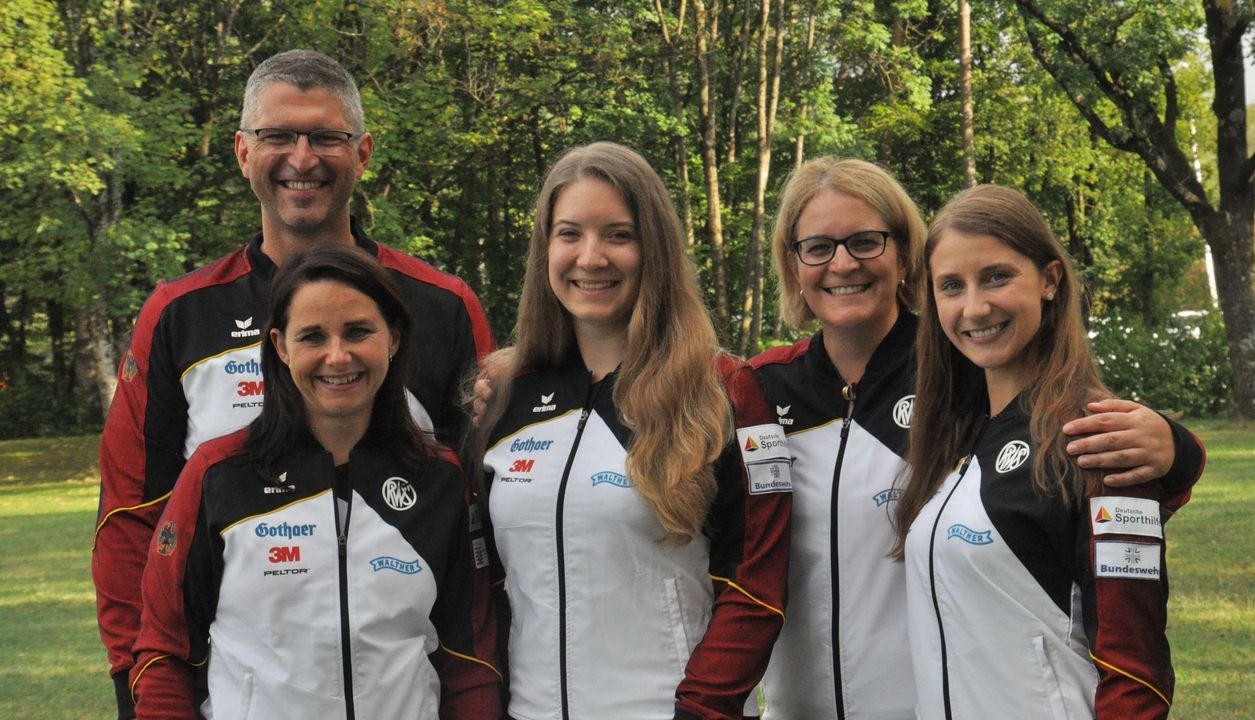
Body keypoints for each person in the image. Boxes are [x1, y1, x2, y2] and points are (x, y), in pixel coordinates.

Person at [93, 50, 494, 717]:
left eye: (326, 137)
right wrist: (135, 680)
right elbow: (131, 519)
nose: (302, 158)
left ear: (362, 152)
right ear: (243, 151)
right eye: (278, 135)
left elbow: (483, 516)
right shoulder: (179, 313)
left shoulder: (443, 306)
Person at [749, 159, 1203, 718]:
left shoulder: (969, 370)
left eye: (866, 241)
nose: (842, 263)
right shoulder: (760, 394)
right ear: (792, 263)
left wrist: (1177, 451)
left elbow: (1129, 631)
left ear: (903, 256)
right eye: (817, 246)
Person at [471, 141, 791, 720]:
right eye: (569, 234)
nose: (590, 258)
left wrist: (701, 711)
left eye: (618, 235)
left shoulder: (724, 390)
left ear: (655, 250)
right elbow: (486, 588)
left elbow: (756, 587)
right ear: (546, 248)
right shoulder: (506, 395)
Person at [130, 245, 502, 719]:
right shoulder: (218, 474)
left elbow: (469, 665)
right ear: (281, 346)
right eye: (312, 336)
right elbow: (165, 651)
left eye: (358, 331)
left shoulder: (440, 481)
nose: (338, 355)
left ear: (393, 337)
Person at [896, 184, 1191, 718]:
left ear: (1050, 280)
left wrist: (1180, 452)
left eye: (996, 276)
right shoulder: (950, 438)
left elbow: (1135, 669)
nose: (974, 307)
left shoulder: (1099, 440)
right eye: (950, 286)